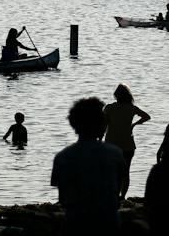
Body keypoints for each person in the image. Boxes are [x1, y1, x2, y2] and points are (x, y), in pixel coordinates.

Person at [51, 97, 125, 235]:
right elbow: (117, 191)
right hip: (109, 223)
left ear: (74, 124)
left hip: (75, 224)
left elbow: (63, 198)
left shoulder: (62, 157)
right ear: (102, 124)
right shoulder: (115, 154)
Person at [102, 84, 151, 200]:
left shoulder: (109, 108)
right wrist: (134, 124)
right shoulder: (132, 108)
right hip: (127, 144)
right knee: (125, 172)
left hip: (111, 144)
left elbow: (103, 124)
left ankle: (113, 195)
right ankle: (122, 196)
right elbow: (146, 116)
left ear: (116, 95)